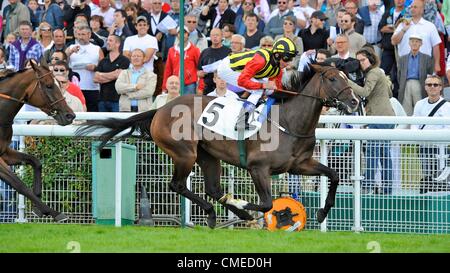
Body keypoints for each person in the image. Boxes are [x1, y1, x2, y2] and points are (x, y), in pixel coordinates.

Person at [217, 37, 297, 130]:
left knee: (269, 91)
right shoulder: (260, 60)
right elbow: (242, 81)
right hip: (227, 68)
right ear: (277, 55)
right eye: (287, 59)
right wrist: (262, 85)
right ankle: (241, 121)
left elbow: (276, 89)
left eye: (291, 59)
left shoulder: (279, 70)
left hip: (241, 71)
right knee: (258, 90)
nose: (288, 63)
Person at [346, 48, 395, 195]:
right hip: (385, 116)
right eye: (358, 60)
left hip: (379, 117)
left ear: (371, 59)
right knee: (383, 155)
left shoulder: (373, 72)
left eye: (363, 60)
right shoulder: (378, 72)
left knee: (373, 154)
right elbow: (388, 92)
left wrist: (346, 81)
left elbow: (365, 92)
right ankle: (386, 190)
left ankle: (367, 187)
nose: (360, 63)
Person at [411, 75, 450, 193]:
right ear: (425, 87)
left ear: (440, 88)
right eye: (429, 85)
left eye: (435, 85)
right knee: (427, 175)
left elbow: (447, 128)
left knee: (441, 176)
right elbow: (414, 124)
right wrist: (418, 137)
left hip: (440, 148)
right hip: (424, 147)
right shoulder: (419, 104)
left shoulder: (447, 106)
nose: (432, 87)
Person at [67, 25, 105, 112]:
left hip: (92, 88)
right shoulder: (71, 47)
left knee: (92, 114)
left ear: (89, 34)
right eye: (79, 34)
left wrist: (95, 68)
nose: (80, 37)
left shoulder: (97, 48)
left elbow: (103, 67)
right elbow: (63, 63)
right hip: (75, 87)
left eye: (83, 34)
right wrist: (70, 52)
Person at [397, 33, 433, 116]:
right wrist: (402, 84)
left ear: (421, 44)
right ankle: (407, 127)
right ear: (409, 43)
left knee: (419, 106)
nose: (414, 43)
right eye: (412, 41)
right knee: (406, 107)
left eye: (417, 41)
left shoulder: (426, 58)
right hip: (406, 84)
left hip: (419, 83)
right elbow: (399, 74)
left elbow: (429, 72)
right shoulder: (403, 58)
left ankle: (419, 126)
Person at [94, 35, 131, 112]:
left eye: (110, 40)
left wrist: (102, 75)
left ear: (118, 44)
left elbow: (120, 76)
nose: (107, 42)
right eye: (107, 40)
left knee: (117, 124)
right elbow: (95, 78)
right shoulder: (103, 61)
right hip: (102, 100)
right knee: (102, 124)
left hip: (117, 100)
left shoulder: (124, 60)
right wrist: (113, 74)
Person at [162, 26, 200, 95]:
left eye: (184, 33)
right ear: (177, 35)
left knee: (189, 104)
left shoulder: (195, 50)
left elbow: (199, 68)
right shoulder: (172, 50)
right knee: (176, 105)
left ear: (188, 35)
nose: (182, 35)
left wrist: (200, 86)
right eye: (180, 33)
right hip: (175, 84)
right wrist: (164, 87)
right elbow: (168, 70)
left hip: (190, 84)